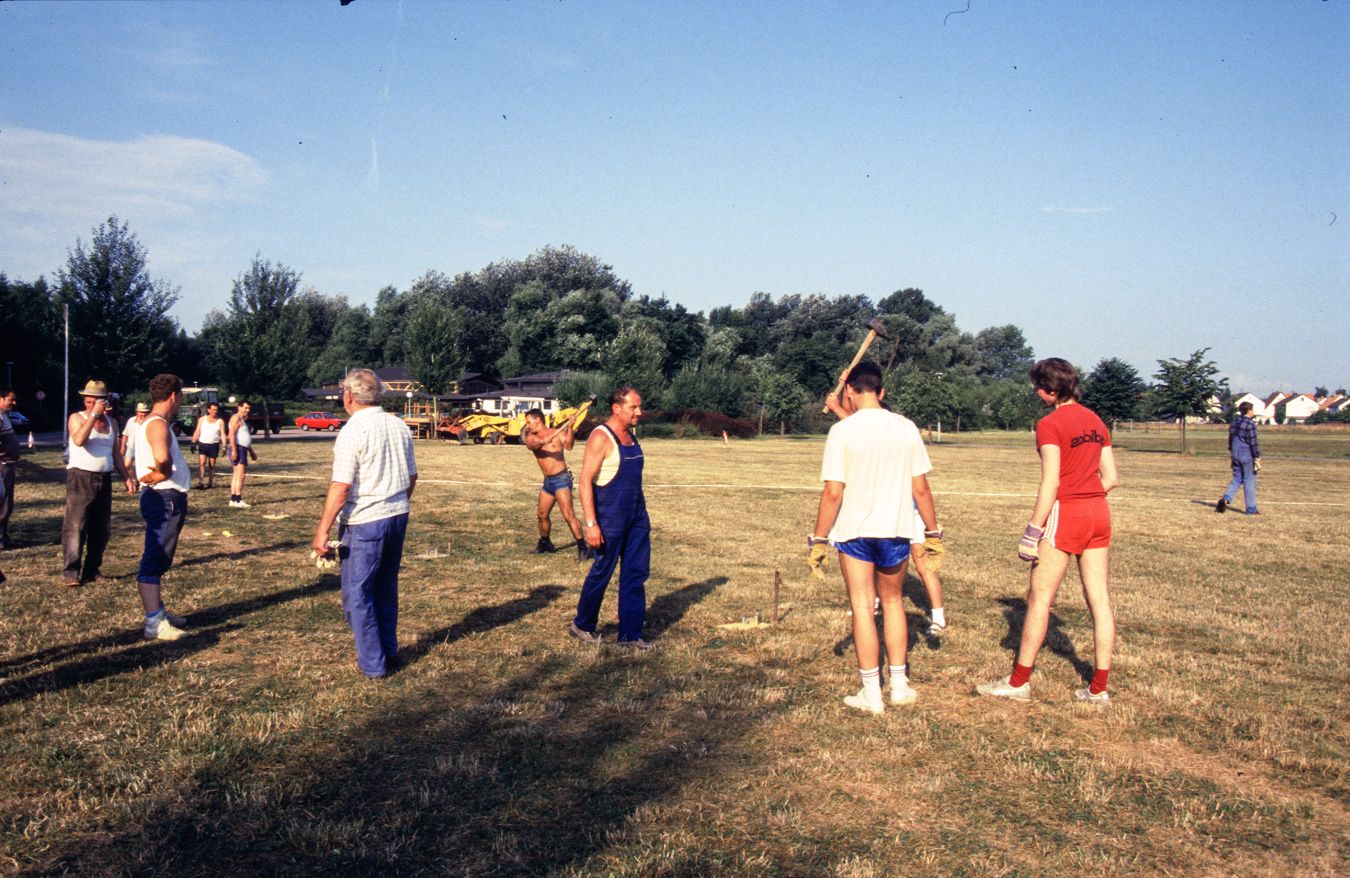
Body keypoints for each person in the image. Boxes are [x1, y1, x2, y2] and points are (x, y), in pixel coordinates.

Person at [977, 358, 1119, 704]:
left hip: (1066, 513)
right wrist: (1088, 493)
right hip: (1099, 512)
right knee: (1100, 600)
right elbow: (1112, 478)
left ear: (1052, 390)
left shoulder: (1050, 424)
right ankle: (1098, 688)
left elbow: (1051, 482)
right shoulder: (1096, 420)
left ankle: (1018, 683)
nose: (1037, 393)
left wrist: (1033, 529)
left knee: (1039, 598)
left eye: (1039, 388)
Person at [810, 361, 940, 714]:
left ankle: (872, 694)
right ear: (881, 392)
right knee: (893, 603)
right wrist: (932, 532)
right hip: (896, 530)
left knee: (862, 607)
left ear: (850, 391)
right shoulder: (906, 427)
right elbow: (921, 489)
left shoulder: (842, 431)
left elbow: (833, 492)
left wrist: (818, 539)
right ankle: (899, 686)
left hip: (854, 533)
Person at [312, 368, 418, 679]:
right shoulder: (399, 425)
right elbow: (412, 476)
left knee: (358, 595)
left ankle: (374, 664)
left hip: (365, 521)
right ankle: (389, 651)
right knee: (385, 588)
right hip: (396, 515)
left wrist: (322, 532)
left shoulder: (352, 431)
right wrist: (395, 502)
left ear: (349, 396)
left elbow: (341, 486)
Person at [824, 372, 948, 637]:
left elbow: (920, 489)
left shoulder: (890, 427)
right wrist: (845, 391)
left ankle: (938, 615)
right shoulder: (900, 426)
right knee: (889, 598)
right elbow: (855, 424)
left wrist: (839, 402)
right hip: (891, 519)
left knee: (923, 564)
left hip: (903, 513)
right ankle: (876, 608)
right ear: (880, 393)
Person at [570, 385, 652, 648]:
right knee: (602, 570)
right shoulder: (601, 437)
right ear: (616, 408)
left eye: (639, 406)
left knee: (635, 573)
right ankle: (582, 624)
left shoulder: (631, 437)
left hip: (637, 516)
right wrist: (591, 524)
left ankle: (630, 634)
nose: (639, 412)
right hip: (610, 517)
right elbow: (584, 481)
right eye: (633, 407)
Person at [133, 374, 193, 641]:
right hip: (163, 497)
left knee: (159, 557)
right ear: (173, 396)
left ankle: (158, 611)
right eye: (180, 397)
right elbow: (162, 457)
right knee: (154, 558)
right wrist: (163, 472)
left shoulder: (154, 422)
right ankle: (153, 622)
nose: (180, 402)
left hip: (163, 496)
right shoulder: (157, 424)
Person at [61, 381, 137, 587]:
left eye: (96, 402)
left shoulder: (112, 423)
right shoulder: (77, 418)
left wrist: (126, 477)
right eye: (88, 401)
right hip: (81, 477)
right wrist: (93, 415)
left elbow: (116, 454)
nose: (91, 405)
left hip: (104, 478)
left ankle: (92, 570)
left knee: (101, 528)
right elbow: (79, 440)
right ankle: (71, 572)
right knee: (76, 526)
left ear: (105, 401)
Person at [522, 405, 590, 558]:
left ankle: (582, 548)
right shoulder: (530, 436)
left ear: (538, 420)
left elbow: (569, 446)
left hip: (561, 479)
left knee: (568, 515)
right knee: (542, 515)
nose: (527, 426)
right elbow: (534, 445)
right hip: (548, 482)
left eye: (529, 422)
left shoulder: (557, 433)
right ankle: (545, 543)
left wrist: (570, 427)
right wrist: (548, 437)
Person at [1217, 401, 1261, 515]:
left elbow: (1230, 439)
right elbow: (1253, 443)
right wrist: (1257, 456)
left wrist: (1232, 452)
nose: (1253, 412)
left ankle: (1226, 499)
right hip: (1246, 454)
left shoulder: (1234, 422)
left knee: (1237, 478)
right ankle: (1251, 509)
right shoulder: (1250, 424)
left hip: (1235, 452)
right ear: (1249, 411)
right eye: (1252, 410)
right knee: (1249, 481)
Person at [226, 401, 257, 508]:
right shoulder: (236, 418)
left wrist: (251, 451)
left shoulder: (242, 420)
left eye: (249, 408)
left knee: (236, 474)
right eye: (245, 408)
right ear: (239, 407)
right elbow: (231, 434)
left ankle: (233, 499)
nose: (247, 410)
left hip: (242, 448)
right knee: (241, 474)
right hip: (238, 448)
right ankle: (238, 500)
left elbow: (244, 438)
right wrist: (234, 450)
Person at [0, 386, 20, 551]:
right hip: (2, 467)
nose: (14, 402)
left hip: (8, 466)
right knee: (3, 504)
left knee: (7, 504)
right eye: (10, 399)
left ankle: (3, 536)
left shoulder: (4, 415)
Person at [191, 402, 225, 490]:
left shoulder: (220, 421)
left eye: (216, 410)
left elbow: (223, 434)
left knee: (212, 464)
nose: (215, 411)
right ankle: (200, 482)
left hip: (214, 445)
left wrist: (224, 446)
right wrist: (193, 442)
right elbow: (197, 431)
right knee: (202, 463)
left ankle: (210, 482)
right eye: (213, 410)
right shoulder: (202, 419)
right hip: (203, 444)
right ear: (208, 410)